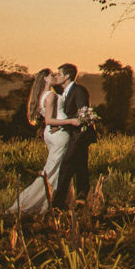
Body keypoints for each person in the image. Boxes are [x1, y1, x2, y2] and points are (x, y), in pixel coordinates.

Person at [6, 68, 67, 216]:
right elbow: (50, 120)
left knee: (55, 167)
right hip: (57, 134)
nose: (55, 77)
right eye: (52, 75)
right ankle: (37, 201)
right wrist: (72, 121)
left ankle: (57, 200)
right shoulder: (50, 95)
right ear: (46, 79)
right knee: (54, 169)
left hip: (52, 134)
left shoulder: (42, 95)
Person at [49, 62, 96, 207]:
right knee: (81, 168)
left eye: (59, 74)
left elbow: (83, 114)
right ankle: (82, 200)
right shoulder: (64, 91)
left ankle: (57, 204)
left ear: (67, 76)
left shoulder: (78, 90)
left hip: (80, 136)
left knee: (66, 166)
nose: (57, 77)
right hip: (74, 134)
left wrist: (71, 127)